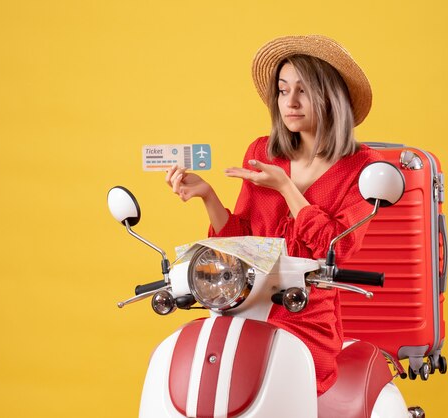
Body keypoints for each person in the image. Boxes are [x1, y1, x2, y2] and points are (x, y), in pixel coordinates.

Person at [164, 35, 382, 395]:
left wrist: (287, 189)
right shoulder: (263, 151)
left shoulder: (364, 167)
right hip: (243, 305)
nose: (290, 102)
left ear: (330, 96)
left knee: (280, 382)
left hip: (305, 316)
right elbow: (241, 242)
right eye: (282, 91)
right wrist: (207, 195)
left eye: (303, 90)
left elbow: (336, 251)